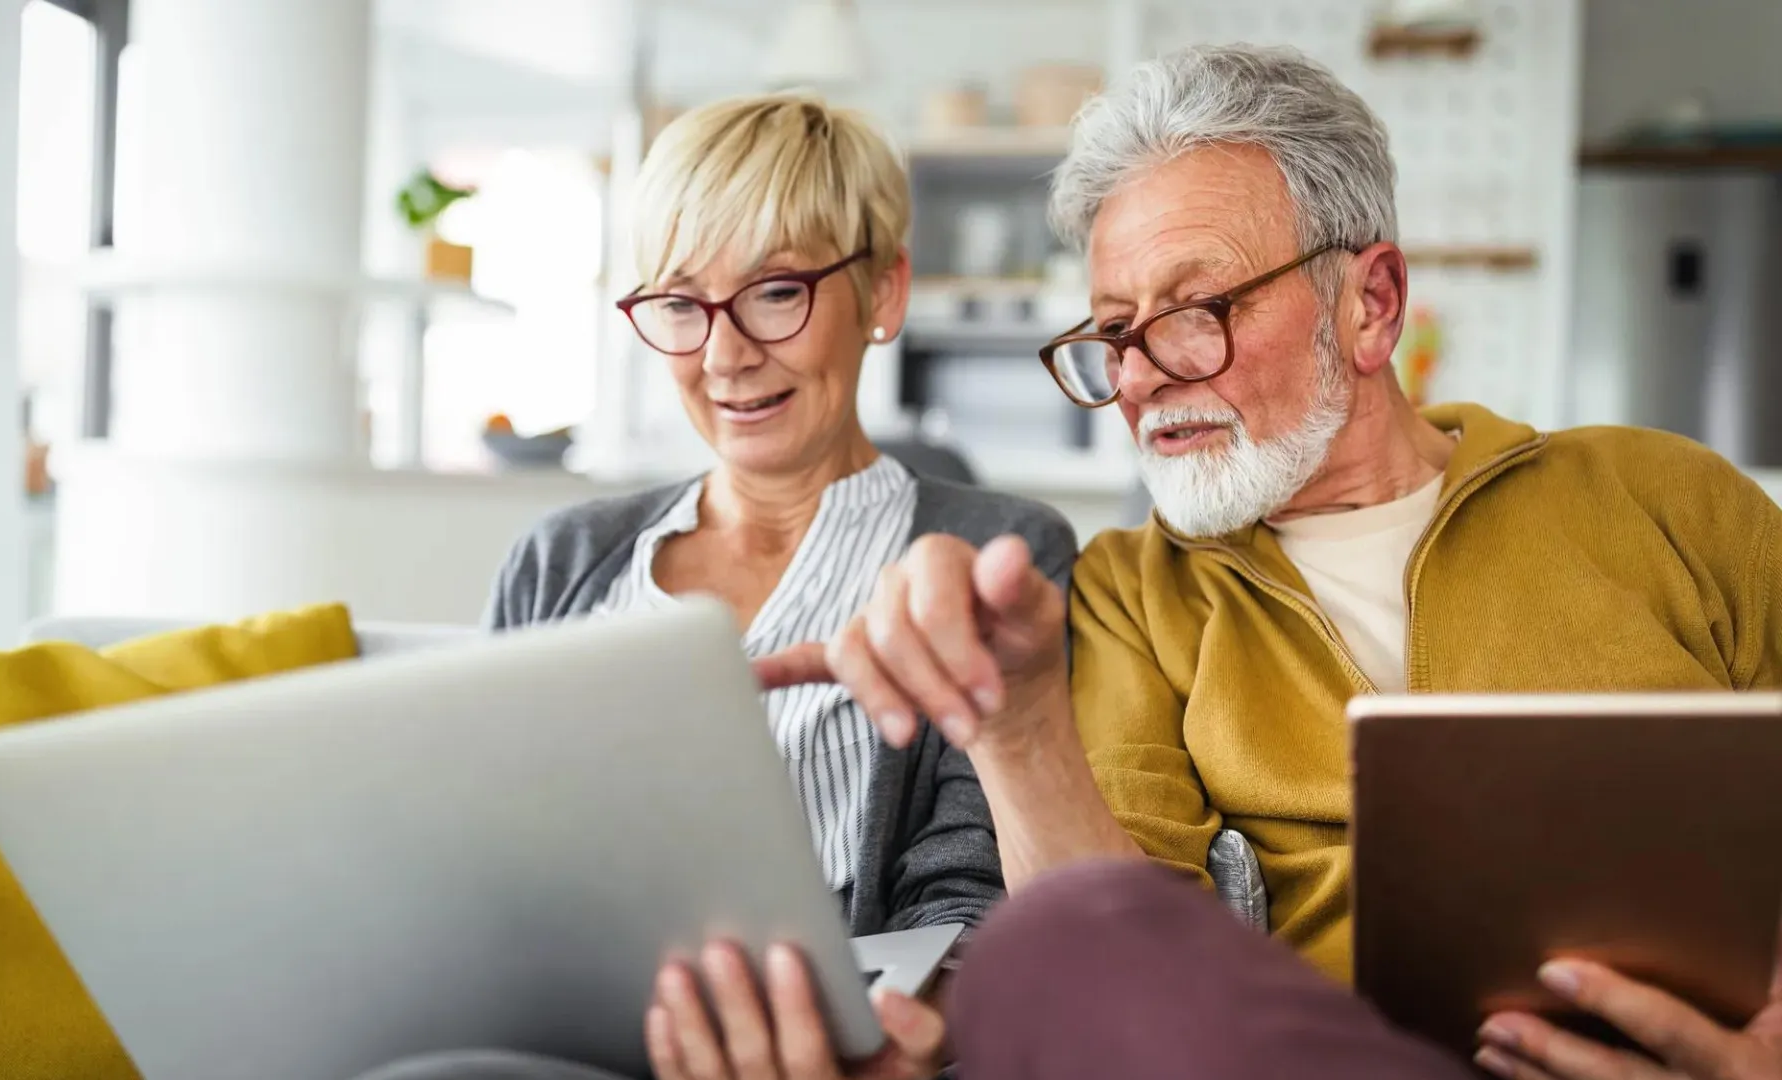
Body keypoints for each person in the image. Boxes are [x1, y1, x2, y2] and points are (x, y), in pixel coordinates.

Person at [649, 45, 1782, 1080]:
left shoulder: (1664, 498)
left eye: (1195, 311)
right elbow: (1109, 971)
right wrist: (1019, 724)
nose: (1139, 377)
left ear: (1371, 305)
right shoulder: (1133, 594)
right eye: (1111, 331)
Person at [484, 93, 1074, 958]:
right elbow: (483, 855)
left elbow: (967, 915)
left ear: (884, 289)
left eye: (774, 292)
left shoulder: (999, 559)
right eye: (681, 304)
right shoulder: (561, 559)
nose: (725, 356)